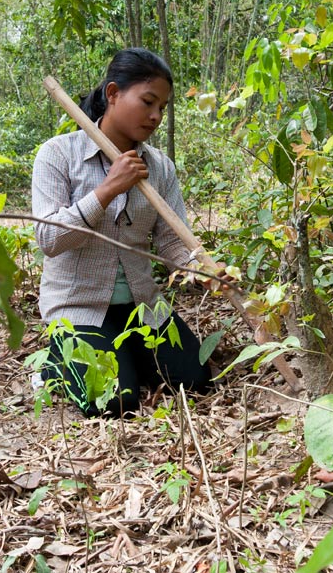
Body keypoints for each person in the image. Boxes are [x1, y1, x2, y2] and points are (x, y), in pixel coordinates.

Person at [32, 48, 212, 416]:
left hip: (143, 305)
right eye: (148, 102)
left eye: (162, 106)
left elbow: (171, 242)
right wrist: (107, 190)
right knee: (113, 402)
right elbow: (49, 241)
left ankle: (126, 352)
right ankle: (54, 364)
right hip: (77, 306)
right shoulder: (57, 155)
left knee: (196, 382)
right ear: (113, 94)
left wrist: (205, 270)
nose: (156, 116)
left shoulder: (160, 168)